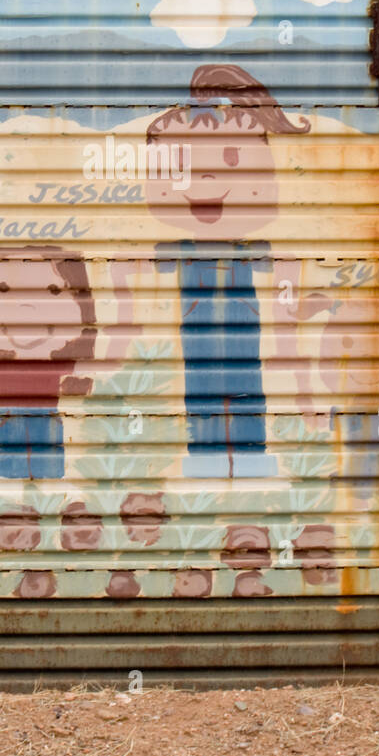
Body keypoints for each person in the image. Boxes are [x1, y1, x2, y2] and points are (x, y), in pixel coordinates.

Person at [146, 63, 310, 477]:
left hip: (242, 326)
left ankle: (253, 456)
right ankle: (204, 459)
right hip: (197, 331)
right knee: (201, 391)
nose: (206, 176)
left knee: (246, 387)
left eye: (232, 158)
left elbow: (283, 271)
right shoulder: (181, 250)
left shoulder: (250, 249)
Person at [0, 245, 96, 480]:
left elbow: (74, 373)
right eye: (3, 289)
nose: (27, 305)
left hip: (48, 404)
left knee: (47, 436)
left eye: (54, 290)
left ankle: (50, 474)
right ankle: (9, 475)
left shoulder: (58, 359)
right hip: (8, 403)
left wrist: (76, 379)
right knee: (10, 435)